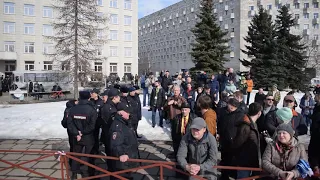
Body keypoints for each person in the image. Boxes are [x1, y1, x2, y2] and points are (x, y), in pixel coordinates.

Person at [67, 91, 97, 178]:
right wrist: (82, 132)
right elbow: (92, 125)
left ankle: (74, 174)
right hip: (88, 136)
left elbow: (70, 124)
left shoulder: (73, 109)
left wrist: (77, 133)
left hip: (77, 137)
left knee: (76, 155)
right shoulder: (92, 109)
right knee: (90, 155)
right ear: (89, 98)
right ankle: (90, 173)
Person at [108, 102, 139, 180]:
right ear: (120, 112)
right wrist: (121, 154)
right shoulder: (118, 127)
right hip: (122, 163)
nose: (129, 114)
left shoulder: (124, 121)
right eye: (127, 112)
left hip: (128, 159)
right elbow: (115, 144)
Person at [233, 103, 262, 178]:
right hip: (244, 162)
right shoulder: (246, 126)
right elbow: (238, 143)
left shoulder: (253, 124)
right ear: (259, 113)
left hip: (250, 161)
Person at [61, 99, 78, 167]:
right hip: (73, 130)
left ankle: (72, 161)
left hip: (69, 129)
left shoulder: (67, 109)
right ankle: (74, 163)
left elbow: (64, 121)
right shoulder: (72, 109)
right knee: (75, 147)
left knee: (72, 145)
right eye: (76, 102)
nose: (77, 103)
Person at [308, 94, 320, 176]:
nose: (314, 97)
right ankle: (315, 167)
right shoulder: (316, 106)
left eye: (316, 95)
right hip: (314, 133)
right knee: (312, 150)